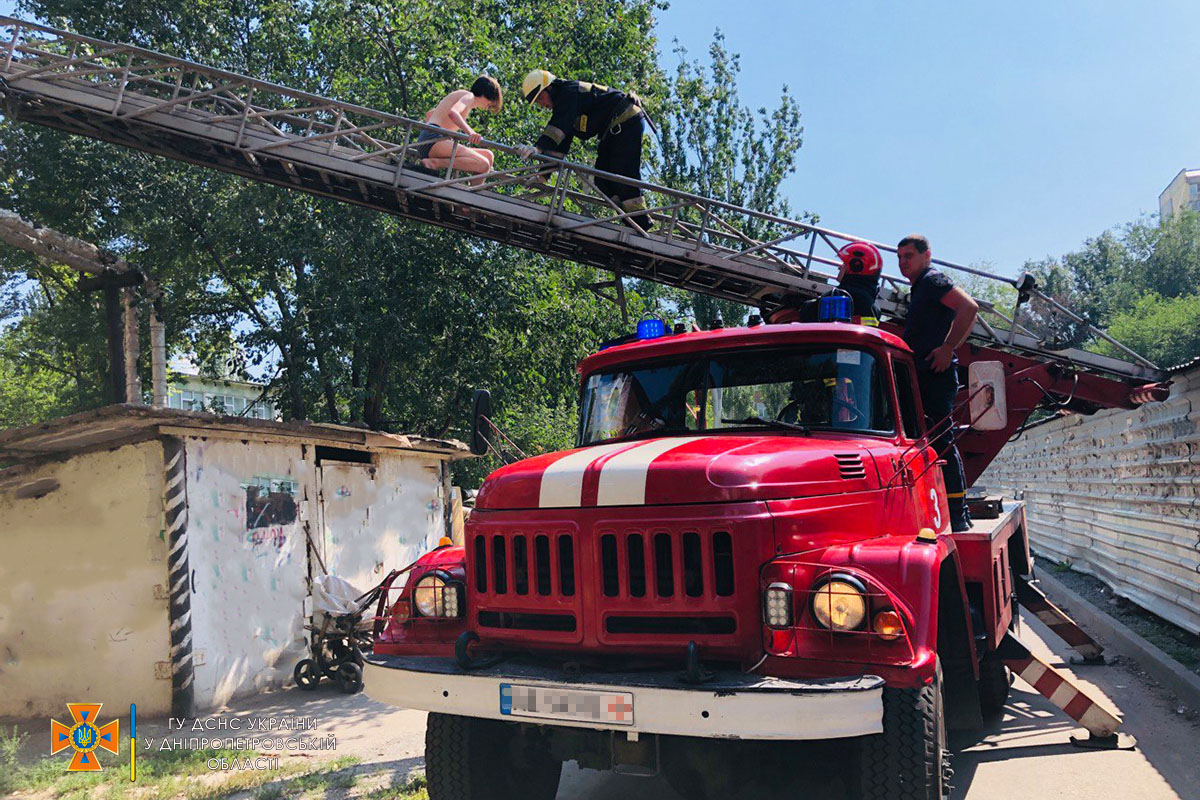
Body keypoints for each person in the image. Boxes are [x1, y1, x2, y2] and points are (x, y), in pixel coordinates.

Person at [896, 233, 980, 532]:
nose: (903, 262)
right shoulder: (920, 288)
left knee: (942, 441)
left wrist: (948, 348)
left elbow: (968, 307)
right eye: (899, 257)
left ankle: (958, 515)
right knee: (926, 443)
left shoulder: (932, 280)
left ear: (926, 256)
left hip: (935, 374)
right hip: (923, 373)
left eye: (909, 255)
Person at [515, 69, 653, 232]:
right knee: (603, 179)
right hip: (614, 130)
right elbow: (560, 146)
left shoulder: (569, 93)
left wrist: (537, 147)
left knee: (621, 172)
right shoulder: (566, 106)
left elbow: (557, 128)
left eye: (540, 98)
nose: (543, 105)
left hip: (626, 122)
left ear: (549, 88)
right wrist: (542, 176)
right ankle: (631, 221)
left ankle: (641, 223)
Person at [414, 76, 503, 178]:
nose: (489, 105)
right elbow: (453, 112)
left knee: (488, 155)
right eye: (491, 101)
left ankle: (474, 190)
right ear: (485, 94)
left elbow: (429, 114)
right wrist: (471, 132)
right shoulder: (469, 96)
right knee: (484, 164)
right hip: (432, 139)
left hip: (429, 139)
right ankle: (435, 163)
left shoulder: (462, 98)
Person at [835, 241, 883, 323]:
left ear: (855, 267)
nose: (839, 268)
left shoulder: (841, 296)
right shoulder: (873, 304)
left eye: (844, 264)